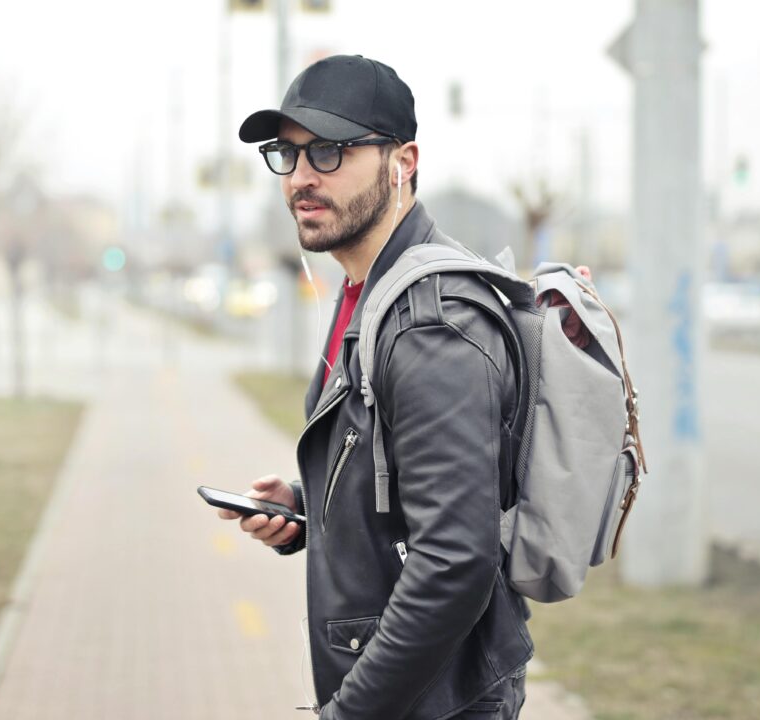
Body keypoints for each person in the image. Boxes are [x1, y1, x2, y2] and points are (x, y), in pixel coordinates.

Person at [216, 55, 534, 719]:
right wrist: (307, 511)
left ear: (403, 162)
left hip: (436, 702)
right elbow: (409, 485)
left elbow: (453, 563)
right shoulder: (368, 288)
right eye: (287, 154)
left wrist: (349, 713)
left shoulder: (431, 324)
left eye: (330, 152)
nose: (301, 178)